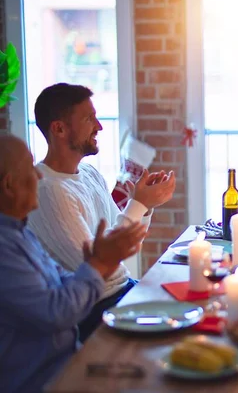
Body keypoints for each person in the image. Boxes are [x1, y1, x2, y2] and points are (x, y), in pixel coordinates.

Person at [28, 83, 176, 341]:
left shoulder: (88, 173)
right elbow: (99, 270)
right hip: (96, 310)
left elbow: (126, 245)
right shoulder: (49, 190)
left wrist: (145, 205)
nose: (99, 126)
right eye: (89, 118)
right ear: (59, 129)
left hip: (122, 292)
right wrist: (137, 205)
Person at [0, 134, 147, 393]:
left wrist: (98, 261)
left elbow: (65, 281)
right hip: (43, 381)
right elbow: (57, 313)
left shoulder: (21, 233)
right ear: (9, 185)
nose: (39, 176)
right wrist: (99, 263)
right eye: (30, 169)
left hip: (69, 360)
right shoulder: (4, 249)